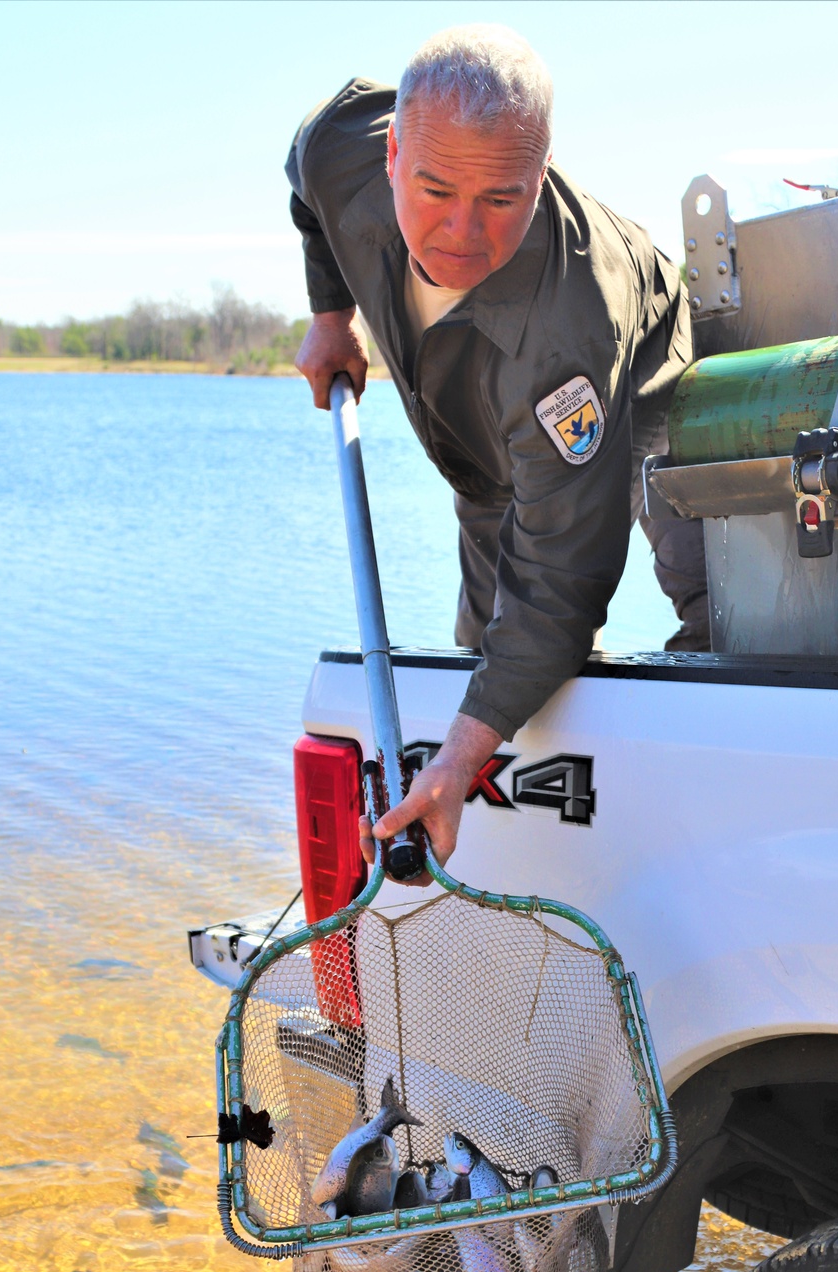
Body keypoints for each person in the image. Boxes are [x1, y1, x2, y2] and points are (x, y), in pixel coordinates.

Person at [286, 25, 706, 875]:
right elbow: (305, 181)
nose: (463, 234)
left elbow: (561, 589)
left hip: (654, 380)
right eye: (434, 189)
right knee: (486, 666)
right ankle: (496, 842)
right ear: (392, 152)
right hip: (479, 446)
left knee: (713, 603)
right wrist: (333, 315)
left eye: (502, 199)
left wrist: (454, 757)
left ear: (541, 173)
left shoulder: (569, 337)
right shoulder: (344, 147)